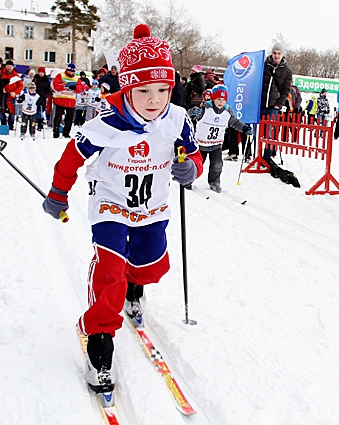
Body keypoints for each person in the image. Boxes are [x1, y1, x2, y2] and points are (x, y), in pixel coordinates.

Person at [41, 24, 203, 394]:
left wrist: (190, 167)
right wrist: (57, 194)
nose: (153, 99)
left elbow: (192, 155)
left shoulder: (177, 119)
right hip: (111, 206)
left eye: (162, 90)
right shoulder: (106, 124)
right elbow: (71, 158)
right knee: (110, 272)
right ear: (127, 87)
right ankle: (100, 343)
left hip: (153, 207)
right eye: (143, 90)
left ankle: (135, 286)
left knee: (151, 264)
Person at [191, 84, 251, 192]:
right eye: (218, 99)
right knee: (197, 164)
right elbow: (194, 117)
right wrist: (193, 113)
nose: (221, 102)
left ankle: (214, 182)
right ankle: (188, 180)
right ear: (213, 98)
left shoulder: (227, 112)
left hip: (216, 144)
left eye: (223, 100)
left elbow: (235, 123)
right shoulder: (205, 108)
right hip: (201, 144)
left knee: (217, 165)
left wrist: (245, 128)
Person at [260, 43, 292, 161]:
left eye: (279, 53)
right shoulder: (263, 66)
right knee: (256, 131)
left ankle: (267, 157)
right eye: (274, 53)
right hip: (261, 103)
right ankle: (253, 154)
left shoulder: (287, 71)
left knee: (270, 132)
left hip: (273, 105)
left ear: (282, 55)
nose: (276, 56)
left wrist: (279, 103)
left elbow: (286, 90)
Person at [51, 62, 84, 138]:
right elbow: (56, 85)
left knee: (69, 118)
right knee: (58, 117)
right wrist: (65, 86)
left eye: (73, 71)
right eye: (70, 71)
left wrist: (75, 88)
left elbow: (81, 87)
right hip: (60, 99)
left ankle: (66, 133)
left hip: (71, 101)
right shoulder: (60, 75)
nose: (71, 72)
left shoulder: (76, 78)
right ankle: (56, 132)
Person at [0, 60, 23, 130]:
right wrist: (2, 89)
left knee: (12, 111)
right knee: (1, 110)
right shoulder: (1, 73)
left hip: (12, 96)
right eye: (8, 66)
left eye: (10, 66)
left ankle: (11, 125)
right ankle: (3, 125)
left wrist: (15, 92)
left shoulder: (16, 75)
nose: (9, 68)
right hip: (3, 95)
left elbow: (20, 86)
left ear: (13, 67)